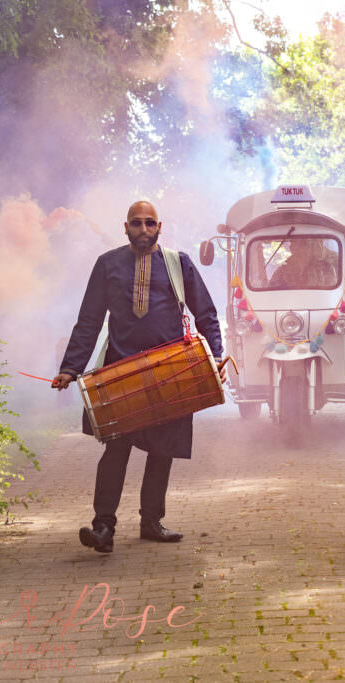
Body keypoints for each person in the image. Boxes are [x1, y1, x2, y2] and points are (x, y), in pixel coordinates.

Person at [52, 201, 225, 553]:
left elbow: (205, 312)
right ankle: (103, 528)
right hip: (121, 373)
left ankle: (151, 523)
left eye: (149, 223)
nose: (143, 229)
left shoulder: (179, 264)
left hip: (171, 372)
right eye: (136, 223)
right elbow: (89, 319)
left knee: (162, 450)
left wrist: (217, 356)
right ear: (125, 226)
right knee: (115, 448)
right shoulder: (107, 264)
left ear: (160, 226)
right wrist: (70, 367)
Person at [269, 238, 338, 288]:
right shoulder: (282, 271)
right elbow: (272, 294)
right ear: (292, 248)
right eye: (296, 244)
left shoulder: (326, 269)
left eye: (304, 244)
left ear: (311, 248)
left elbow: (332, 295)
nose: (301, 249)